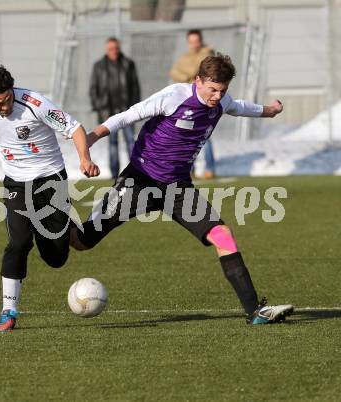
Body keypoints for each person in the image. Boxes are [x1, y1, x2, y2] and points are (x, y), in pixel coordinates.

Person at [71, 54, 293, 325]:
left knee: (222, 235)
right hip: (140, 180)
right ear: (197, 80)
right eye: (211, 89)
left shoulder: (222, 100)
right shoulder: (174, 96)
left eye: (222, 90)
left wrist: (268, 111)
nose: (216, 96)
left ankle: (254, 311)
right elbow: (127, 116)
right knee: (82, 242)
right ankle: (48, 221)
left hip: (178, 188)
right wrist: (90, 139)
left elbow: (238, 107)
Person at [0, 64, 100, 332]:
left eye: (7, 99)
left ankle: (58, 228)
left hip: (50, 181)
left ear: (12, 89)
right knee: (18, 243)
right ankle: (8, 310)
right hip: (16, 184)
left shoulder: (36, 104)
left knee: (56, 258)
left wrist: (84, 158)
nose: (4, 107)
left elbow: (75, 128)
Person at [89, 37, 141, 178]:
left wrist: (135, 108)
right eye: (111, 49)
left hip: (127, 110)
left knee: (131, 141)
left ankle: (134, 171)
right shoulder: (99, 66)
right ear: (107, 49)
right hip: (108, 112)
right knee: (113, 144)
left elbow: (135, 87)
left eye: (116, 48)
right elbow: (93, 89)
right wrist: (99, 107)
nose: (114, 51)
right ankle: (114, 174)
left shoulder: (128, 64)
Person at [170, 29, 216, 179]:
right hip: (190, 101)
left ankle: (210, 168)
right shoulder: (184, 57)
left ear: (201, 40)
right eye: (191, 41)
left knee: (205, 135)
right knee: (187, 136)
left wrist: (192, 72)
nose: (194, 44)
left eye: (196, 41)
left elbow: (204, 71)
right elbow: (174, 73)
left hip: (206, 101)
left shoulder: (208, 54)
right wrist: (188, 75)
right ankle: (190, 169)